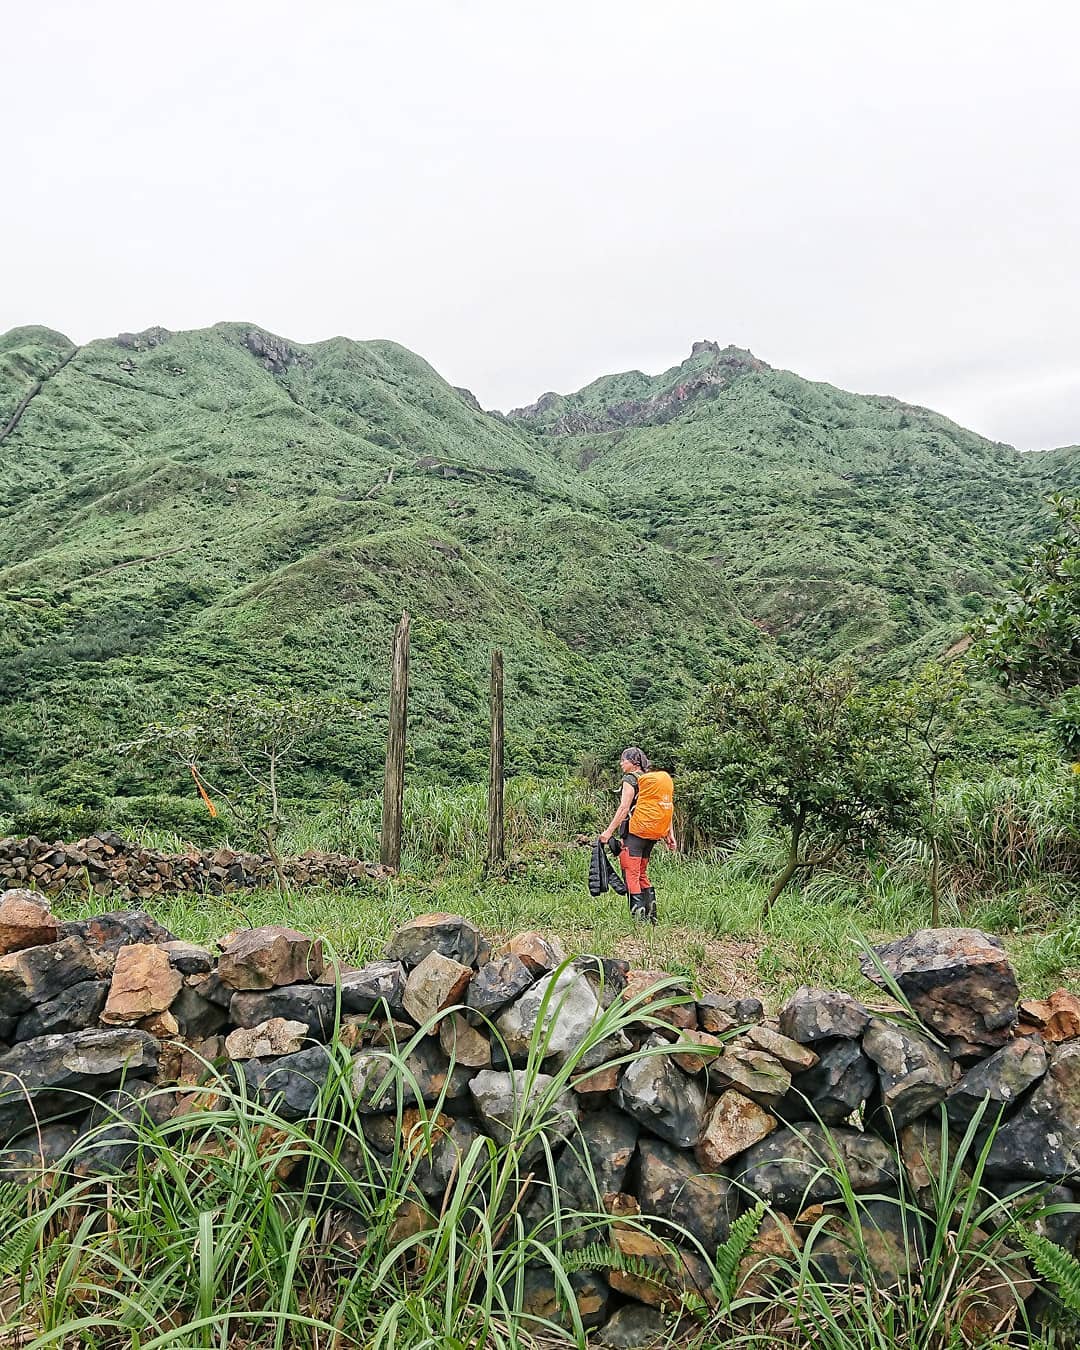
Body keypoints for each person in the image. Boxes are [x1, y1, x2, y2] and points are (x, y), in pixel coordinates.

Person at [598, 746, 677, 923]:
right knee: (641, 873)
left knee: (631, 874)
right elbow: (666, 807)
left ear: (633, 762)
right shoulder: (650, 781)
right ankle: (652, 917)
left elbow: (624, 807)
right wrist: (669, 834)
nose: (621, 764)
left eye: (623, 760)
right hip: (652, 835)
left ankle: (639, 921)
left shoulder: (630, 779)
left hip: (635, 834)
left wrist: (608, 832)